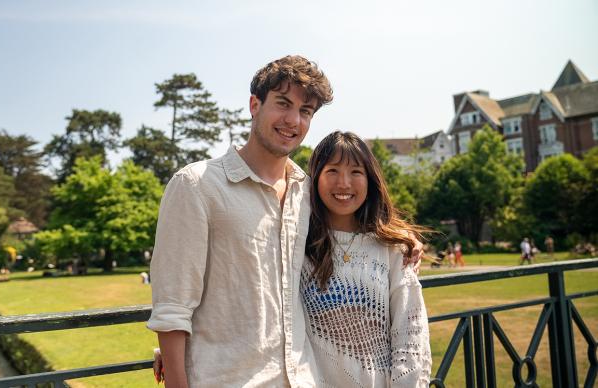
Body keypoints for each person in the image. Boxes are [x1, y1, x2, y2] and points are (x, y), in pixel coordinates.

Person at [147, 55, 423, 387]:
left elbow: (353, 227)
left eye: (305, 111)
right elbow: (172, 309)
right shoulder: (197, 185)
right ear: (254, 105)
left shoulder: (308, 192)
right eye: (283, 103)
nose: (292, 120)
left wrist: (403, 239)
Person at [300, 131, 431, 387]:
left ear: (370, 180)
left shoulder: (392, 248)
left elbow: (410, 332)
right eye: (333, 171)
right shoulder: (297, 243)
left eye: (356, 172)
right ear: (315, 179)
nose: (344, 183)